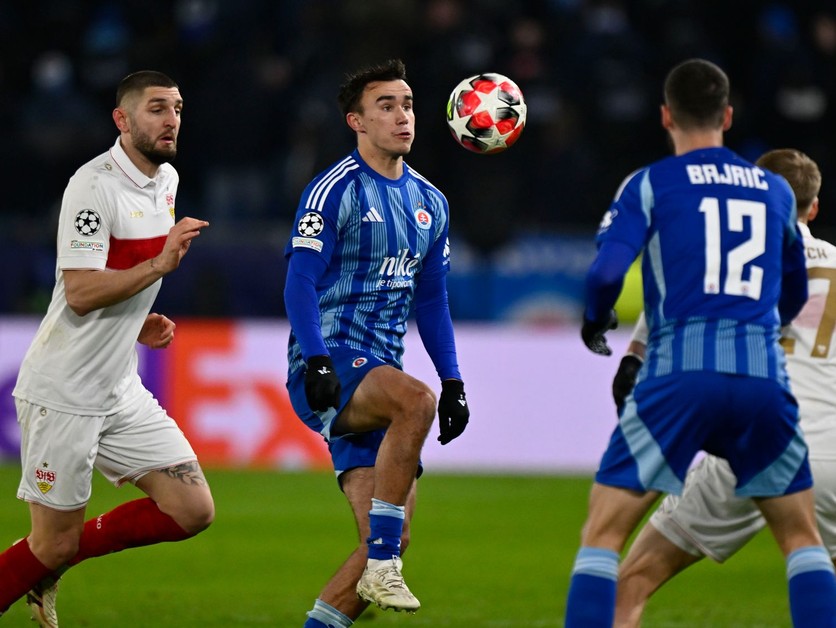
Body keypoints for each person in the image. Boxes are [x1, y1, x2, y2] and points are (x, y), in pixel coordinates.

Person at [565, 58, 836, 627]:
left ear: (666, 116)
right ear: (728, 116)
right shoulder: (773, 193)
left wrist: (596, 319)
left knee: (605, 535)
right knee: (801, 540)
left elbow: (605, 273)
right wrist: (767, 328)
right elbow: (789, 287)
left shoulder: (652, 183)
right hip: (764, 381)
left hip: (682, 375)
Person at [0, 70, 215, 626]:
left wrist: (137, 319)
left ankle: (46, 563)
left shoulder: (164, 179)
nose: (171, 120)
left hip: (118, 387)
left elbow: (115, 280)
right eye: (157, 109)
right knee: (50, 544)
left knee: (192, 510)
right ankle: (41, 562)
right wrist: (159, 265)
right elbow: (78, 291)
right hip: (65, 390)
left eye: (177, 108)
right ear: (122, 120)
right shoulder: (92, 186)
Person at [613, 148, 836, 626]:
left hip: (750, 438)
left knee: (633, 579)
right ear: (813, 208)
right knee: (818, 584)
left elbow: (659, 334)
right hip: (831, 457)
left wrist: (636, 363)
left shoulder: (725, 258)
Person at [283, 58, 470, 627]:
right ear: (356, 122)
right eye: (385, 106)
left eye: (407, 104)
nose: (401, 116)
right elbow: (299, 280)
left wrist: (455, 380)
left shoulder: (430, 203)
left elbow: (432, 301)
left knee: (390, 535)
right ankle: (384, 562)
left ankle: (362, 581)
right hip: (333, 360)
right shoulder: (332, 191)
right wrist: (315, 359)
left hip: (381, 374)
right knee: (415, 402)